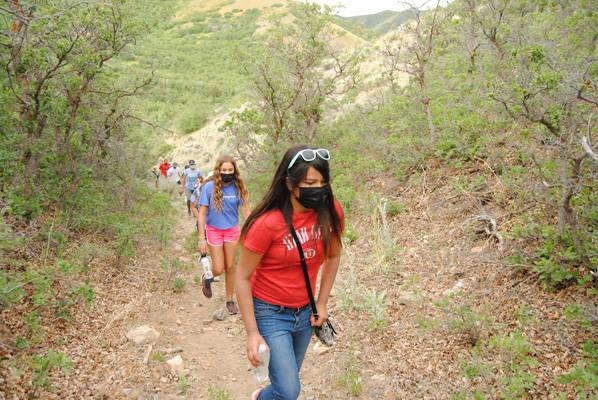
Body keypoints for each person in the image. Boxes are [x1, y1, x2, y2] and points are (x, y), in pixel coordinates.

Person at [235, 145, 344, 400]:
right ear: (290, 183)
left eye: (323, 183)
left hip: (305, 312)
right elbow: (242, 277)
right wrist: (252, 333)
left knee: (285, 385)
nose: (318, 189)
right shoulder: (267, 223)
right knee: (289, 390)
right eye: (310, 183)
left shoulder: (331, 211)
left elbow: (334, 255)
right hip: (270, 312)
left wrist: (322, 302)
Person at [198, 155, 250, 315]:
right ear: (218, 171)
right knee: (219, 269)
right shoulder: (209, 187)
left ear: (234, 171)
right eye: (224, 170)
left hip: (232, 230)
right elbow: (202, 213)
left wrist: (252, 231)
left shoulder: (239, 187)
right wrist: (201, 238)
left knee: (231, 266)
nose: (227, 173)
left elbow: (246, 212)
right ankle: (207, 276)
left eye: (230, 170)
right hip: (214, 230)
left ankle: (229, 300)